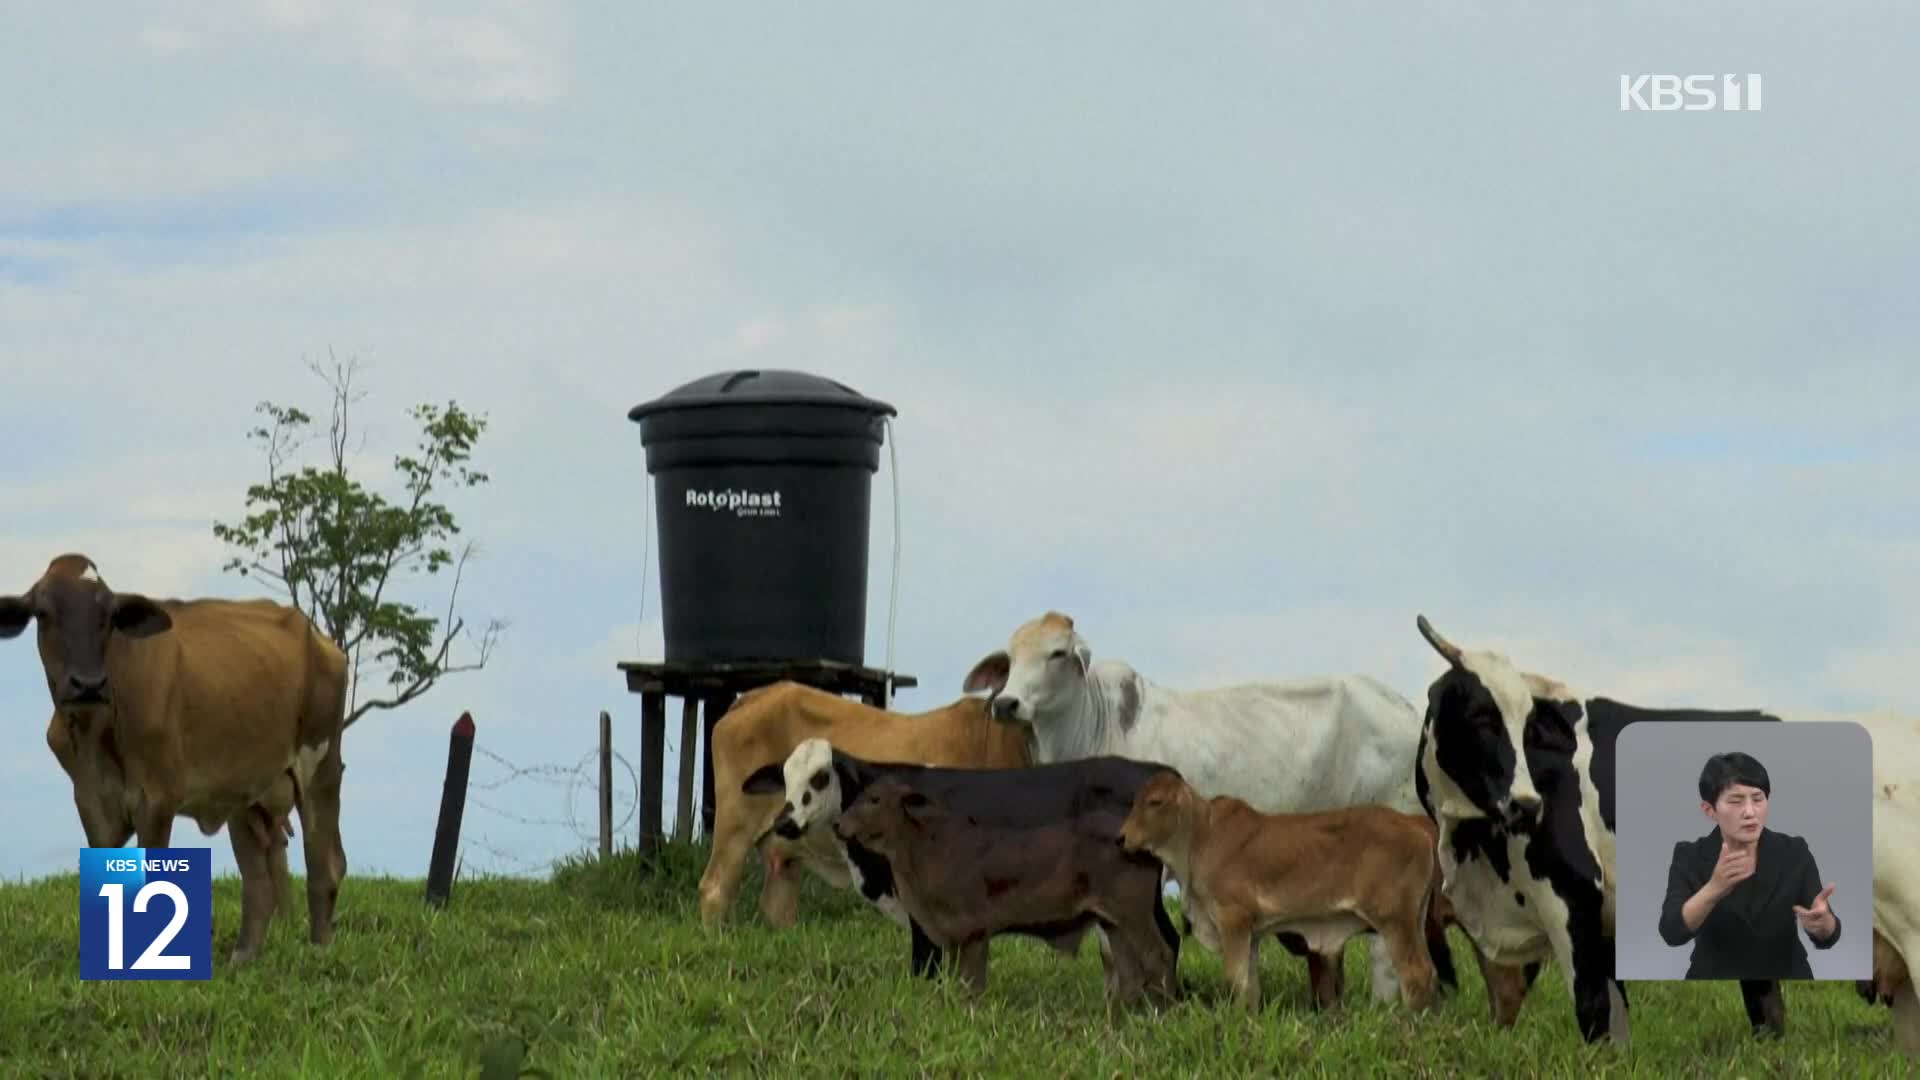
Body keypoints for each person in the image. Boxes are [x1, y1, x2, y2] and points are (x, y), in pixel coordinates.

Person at [1657, 751, 1842, 980]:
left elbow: (1828, 932)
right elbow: (1671, 931)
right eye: (1736, 801)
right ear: (1710, 810)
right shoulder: (1690, 856)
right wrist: (1713, 889)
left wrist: (1824, 924)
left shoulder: (1794, 851)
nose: (1750, 812)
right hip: (1714, 981)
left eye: (1758, 799)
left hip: (1787, 976)